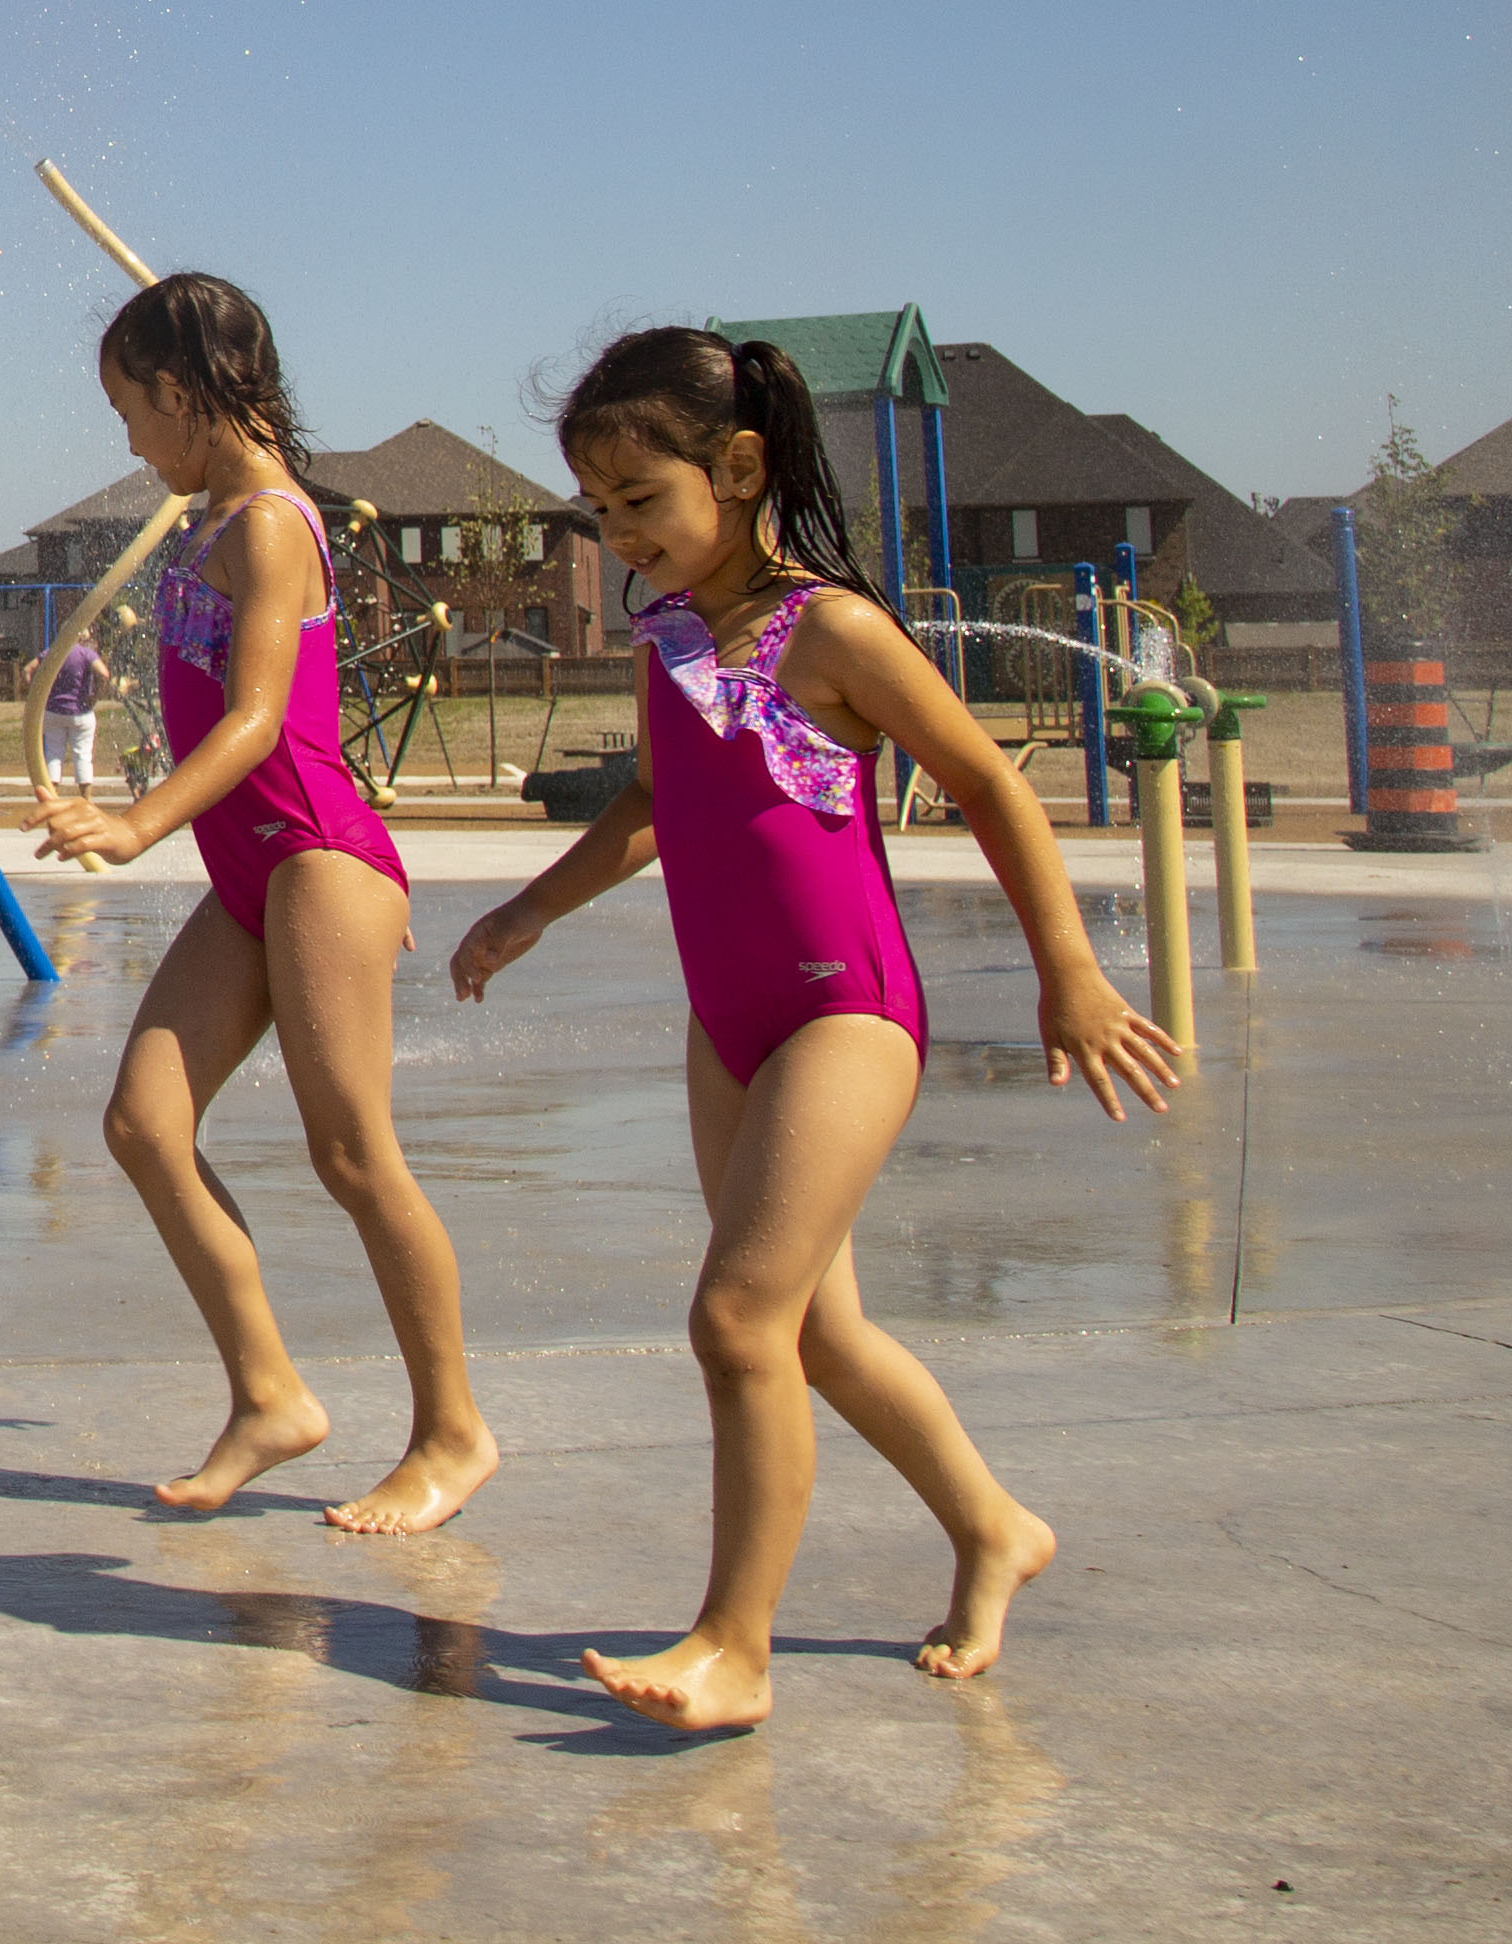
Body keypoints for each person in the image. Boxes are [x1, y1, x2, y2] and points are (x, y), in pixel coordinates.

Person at [452, 327, 1181, 1734]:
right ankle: (993, 1528)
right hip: (729, 1021)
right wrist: (530, 910)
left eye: (641, 501)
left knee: (736, 1320)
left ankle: (736, 1645)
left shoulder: (833, 631)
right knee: (820, 1338)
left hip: (842, 1012)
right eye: (599, 512)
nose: (620, 538)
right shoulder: (671, 639)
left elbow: (988, 785)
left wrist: (1071, 973)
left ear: (739, 468)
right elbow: (653, 806)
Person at [32, 272, 498, 1535]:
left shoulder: (273, 524)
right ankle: (269, 1394)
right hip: (254, 873)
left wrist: (136, 823)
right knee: (144, 1124)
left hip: (314, 855)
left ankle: (454, 1432)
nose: (132, 443)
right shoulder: (212, 516)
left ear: (183, 393)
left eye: (133, 411)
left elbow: (256, 719)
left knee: (352, 1154)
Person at [38, 629, 108, 797]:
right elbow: (104, 674)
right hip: (81, 711)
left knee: (53, 755)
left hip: (54, 710)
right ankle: (86, 799)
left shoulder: (54, 652)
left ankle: (52, 797)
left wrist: (38, 696)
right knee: (83, 755)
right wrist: (95, 696)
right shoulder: (86, 654)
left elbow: (28, 670)